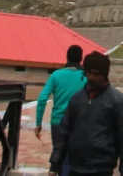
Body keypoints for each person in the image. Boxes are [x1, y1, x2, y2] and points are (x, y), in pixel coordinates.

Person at [49, 52, 123, 176]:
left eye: (96, 74)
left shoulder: (118, 101)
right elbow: (64, 133)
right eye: (89, 73)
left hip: (101, 169)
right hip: (75, 167)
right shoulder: (76, 99)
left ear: (104, 75)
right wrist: (55, 164)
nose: (92, 77)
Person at [36, 45, 86, 176]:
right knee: (76, 154)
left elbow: (42, 99)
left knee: (58, 150)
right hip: (78, 122)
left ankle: (53, 171)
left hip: (58, 121)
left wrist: (38, 123)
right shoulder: (85, 77)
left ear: (67, 57)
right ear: (81, 58)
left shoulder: (56, 75)